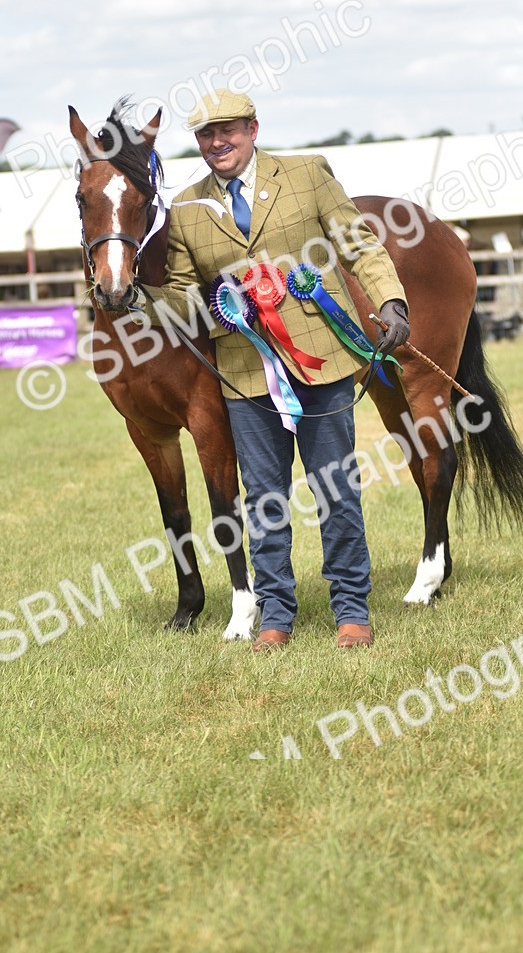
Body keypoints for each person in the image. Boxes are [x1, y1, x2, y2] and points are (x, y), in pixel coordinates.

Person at [141, 90, 409, 651]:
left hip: (322, 360)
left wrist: (390, 301)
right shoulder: (187, 207)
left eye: (229, 130)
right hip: (245, 373)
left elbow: (358, 244)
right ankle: (275, 615)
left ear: (253, 128)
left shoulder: (308, 173)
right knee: (264, 499)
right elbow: (188, 295)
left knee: (336, 490)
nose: (218, 143)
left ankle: (351, 609)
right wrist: (147, 292)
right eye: (206, 136)